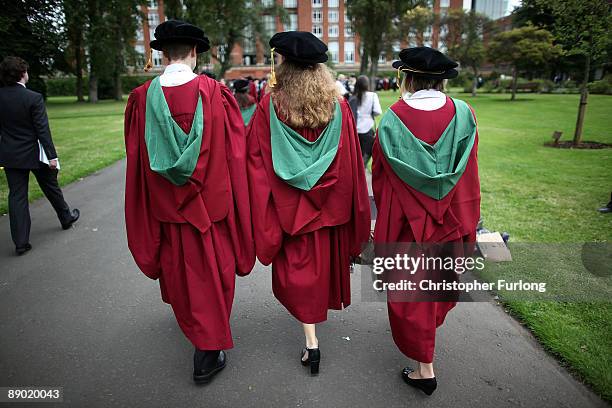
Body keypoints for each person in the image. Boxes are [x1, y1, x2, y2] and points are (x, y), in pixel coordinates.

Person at [123, 20, 255, 384]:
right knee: (214, 274)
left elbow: (137, 163)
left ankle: (198, 332)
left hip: (168, 211)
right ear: (195, 52)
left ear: (164, 54)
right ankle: (207, 352)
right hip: (211, 211)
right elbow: (234, 158)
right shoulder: (215, 93)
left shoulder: (140, 99)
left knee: (182, 275)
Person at [247, 31, 371, 375]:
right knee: (319, 270)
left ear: (284, 65)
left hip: (290, 212)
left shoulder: (271, 107)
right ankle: (313, 338)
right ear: (319, 70)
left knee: (298, 272)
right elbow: (350, 164)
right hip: (329, 210)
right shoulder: (339, 107)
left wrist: (263, 209)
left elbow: (256, 163)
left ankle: (311, 343)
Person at [372, 46, 480, 395]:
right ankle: (425, 361)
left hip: (408, 224)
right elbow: (469, 175)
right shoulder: (464, 113)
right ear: (440, 80)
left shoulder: (392, 119)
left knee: (411, 292)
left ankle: (425, 370)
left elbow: (382, 179)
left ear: (408, 77)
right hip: (450, 220)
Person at [0, 56, 80, 256]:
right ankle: (65, 217)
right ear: (22, 74)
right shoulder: (33, 98)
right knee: (51, 186)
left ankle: (21, 242)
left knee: (17, 196)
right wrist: (52, 156)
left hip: (10, 153)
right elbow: (42, 130)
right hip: (35, 153)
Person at [348, 75, 382, 167]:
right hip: (367, 128)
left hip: (354, 130)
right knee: (366, 154)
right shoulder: (372, 96)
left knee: (355, 155)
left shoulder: (352, 97)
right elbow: (378, 111)